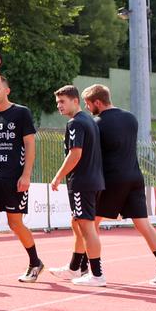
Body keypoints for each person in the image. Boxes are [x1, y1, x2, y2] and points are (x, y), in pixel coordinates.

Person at [83, 84, 156, 286]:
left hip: (111, 179)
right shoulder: (131, 118)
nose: (87, 108)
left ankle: (89, 270)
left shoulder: (96, 123)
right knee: (144, 225)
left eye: (88, 104)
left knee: (89, 225)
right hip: (135, 176)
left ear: (97, 102)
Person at [0, 75, 44, 284]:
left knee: (15, 223)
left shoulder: (21, 113)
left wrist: (26, 174)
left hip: (15, 177)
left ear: (7, 91)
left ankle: (35, 262)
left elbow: (30, 145)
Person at [49, 85, 106, 287]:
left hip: (83, 182)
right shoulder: (89, 121)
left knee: (87, 227)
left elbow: (75, 154)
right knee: (77, 223)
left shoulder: (76, 123)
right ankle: (75, 266)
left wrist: (57, 176)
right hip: (94, 181)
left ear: (75, 101)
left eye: (63, 101)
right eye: (57, 103)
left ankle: (97, 274)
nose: (59, 106)